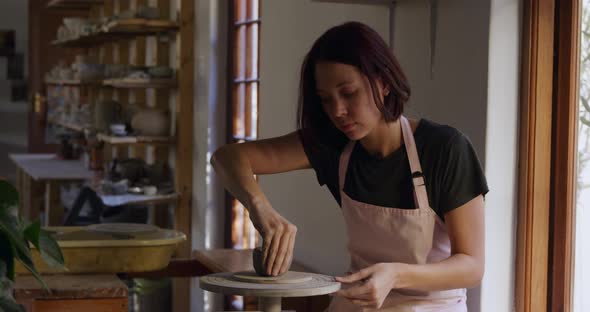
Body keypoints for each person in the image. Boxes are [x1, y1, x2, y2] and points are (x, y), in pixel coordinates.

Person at [211, 21, 488, 311]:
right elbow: (227, 158)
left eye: (349, 93)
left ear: (382, 82)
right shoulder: (333, 145)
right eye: (326, 100)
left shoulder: (444, 148)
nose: (338, 111)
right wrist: (260, 210)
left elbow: (471, 265)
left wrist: (395, 274)